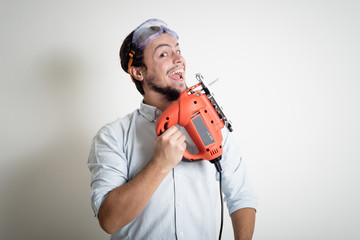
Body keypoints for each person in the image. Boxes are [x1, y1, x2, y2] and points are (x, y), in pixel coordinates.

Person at [88, 18, 258, 240]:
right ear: (138, 72)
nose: (179, 59)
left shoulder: (213, 124)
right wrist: (160, 163)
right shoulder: (112, 136)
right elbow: (109, 221)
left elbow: (241, 196)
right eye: (164, 54)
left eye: (178, 50)